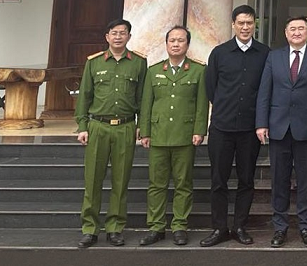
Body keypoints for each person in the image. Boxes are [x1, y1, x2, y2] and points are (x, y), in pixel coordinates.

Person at [256, 17, 307, 249]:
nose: (297, 32)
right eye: (293, 29)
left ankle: (305, 227)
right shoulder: (274, 57)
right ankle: (280, 228)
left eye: (301, 28)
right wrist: (261, 124)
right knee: (279, 180)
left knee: (306, 181)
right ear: (286, 32)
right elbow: (264, 92)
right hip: (279, 128)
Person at [200, 5, 270, 247]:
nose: (245, 27)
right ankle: (219, 228)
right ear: (233, 25)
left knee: (246, 180)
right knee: (218, 180)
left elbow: (266, 89)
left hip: (250, 129)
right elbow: (211, 87)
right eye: (241, 23)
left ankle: (240, 226)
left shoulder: (265, 53)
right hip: (222, 126)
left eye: (249, 23)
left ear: (255, 25)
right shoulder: (219, 53)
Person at [75, 19, 147, 248]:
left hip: (125, 127)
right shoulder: (94, 63)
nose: (118, 37)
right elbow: (85, 96)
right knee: (93, 180)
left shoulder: (139, 63)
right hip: (98, 127)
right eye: (114, 33)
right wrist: (82, 126)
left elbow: (142, 98)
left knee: (120, 181)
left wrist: (142, 125)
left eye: (122, 33)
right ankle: (90, 229)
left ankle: (115, 228)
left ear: (129, 36)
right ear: (107, 37)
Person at [139, 26, 208, 247]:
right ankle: (156, 227)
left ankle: (179, 226)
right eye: (172, 40)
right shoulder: (153, 71)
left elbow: (201, 104)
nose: (176, 44)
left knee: (183, 184)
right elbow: (146, 104)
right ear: (166, 44)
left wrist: (199, 130)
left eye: (180, 40)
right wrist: (145, 131)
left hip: (184, 135)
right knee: (156, 184)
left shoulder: (198, 70)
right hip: (158, 135)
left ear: (188, 44)